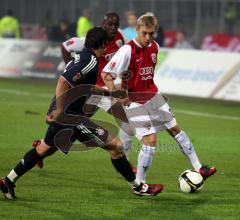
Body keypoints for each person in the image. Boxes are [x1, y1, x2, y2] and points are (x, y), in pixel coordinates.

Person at [0, 27, 163, 200]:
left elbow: (85, 87)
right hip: (70, 116)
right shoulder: (90, 61)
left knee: (44, 149)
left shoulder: (81, 57)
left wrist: (110, 93)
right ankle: (138, 187)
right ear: (102, 45)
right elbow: (63, 81)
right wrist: (60, 111)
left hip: (66, 114)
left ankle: (8, 180)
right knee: (116, 146)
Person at [101, 13, 217, 184]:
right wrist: (118, 95)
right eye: (144, 33)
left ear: (155, 32)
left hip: (154, 97)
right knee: (151, 141)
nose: (148, 37)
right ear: (137, 30)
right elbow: (106, 74)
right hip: (135, 102)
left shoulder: (154, 47)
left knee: (175, 130)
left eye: (151, 33)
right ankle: (140, 183)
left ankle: (199, 168)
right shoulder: (127, 50)